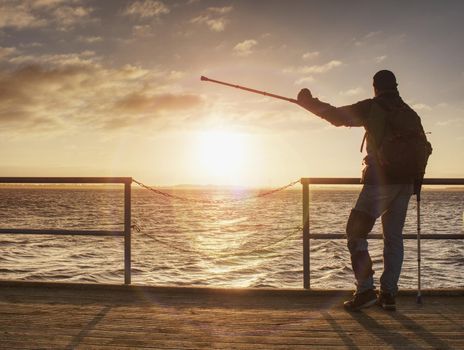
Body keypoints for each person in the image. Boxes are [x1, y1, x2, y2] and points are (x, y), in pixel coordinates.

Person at [297, 70, 424, 311]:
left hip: (381, 182)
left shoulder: (372, 108)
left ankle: (365, 290)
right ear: (396, 86)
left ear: (375, 87)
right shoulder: (410, 113)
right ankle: (388, 295)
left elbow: (336, 116)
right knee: (394, 238)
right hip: (407, 183)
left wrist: (307, 103)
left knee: (355, 232)